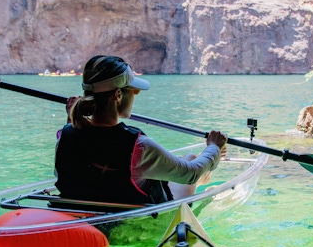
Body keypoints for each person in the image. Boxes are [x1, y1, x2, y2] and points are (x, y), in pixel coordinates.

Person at [55, 55, 227, 205]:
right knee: (191, 161)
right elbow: (191, 174)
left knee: (183, 161)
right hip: (138, 219)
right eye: (133, 89)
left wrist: (71, 120)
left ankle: (206, 167)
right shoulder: (138, 146)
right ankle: (209, 167)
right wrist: (214, 147)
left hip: (82, 216)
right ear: (118, 96)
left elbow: (74, 164)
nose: (136, 93)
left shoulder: (65, 137)